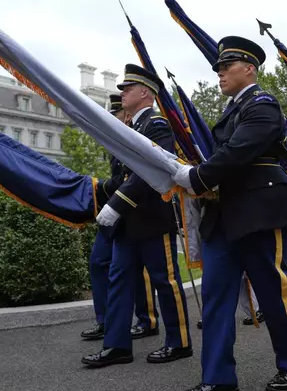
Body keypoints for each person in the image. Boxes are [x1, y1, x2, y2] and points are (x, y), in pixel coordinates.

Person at [173, 36, 287, 391]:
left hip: (258, 211)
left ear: (249, 68)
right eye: (218, 67)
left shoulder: (263, 104)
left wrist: (197, 176)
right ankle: (217, 379)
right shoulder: (234, 109)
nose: (219, 73)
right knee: (217, 298)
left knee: (273, 292)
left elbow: (238, 151)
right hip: (223, 215)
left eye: (225, 66)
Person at [82, 64, 192, 368]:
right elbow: (121, 175)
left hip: (151, 218)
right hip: (128, 223)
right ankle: (117, 346)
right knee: (118, 280)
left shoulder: (157, 124)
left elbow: (152, 171)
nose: (122, 93)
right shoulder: (129, 129)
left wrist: (117, 203)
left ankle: (179, 342)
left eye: (127, 88)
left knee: (165, 281)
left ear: (144, 92)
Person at [80, 93, 160, 341]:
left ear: (124, 116)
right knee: (100, 263)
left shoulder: (135, 134)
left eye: (111, 117)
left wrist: (99, 188)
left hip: (134, 210)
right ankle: (106, 322)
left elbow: (130, 179)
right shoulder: (116, 140)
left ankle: (147, 319)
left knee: (139, 270)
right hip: (116, 211)